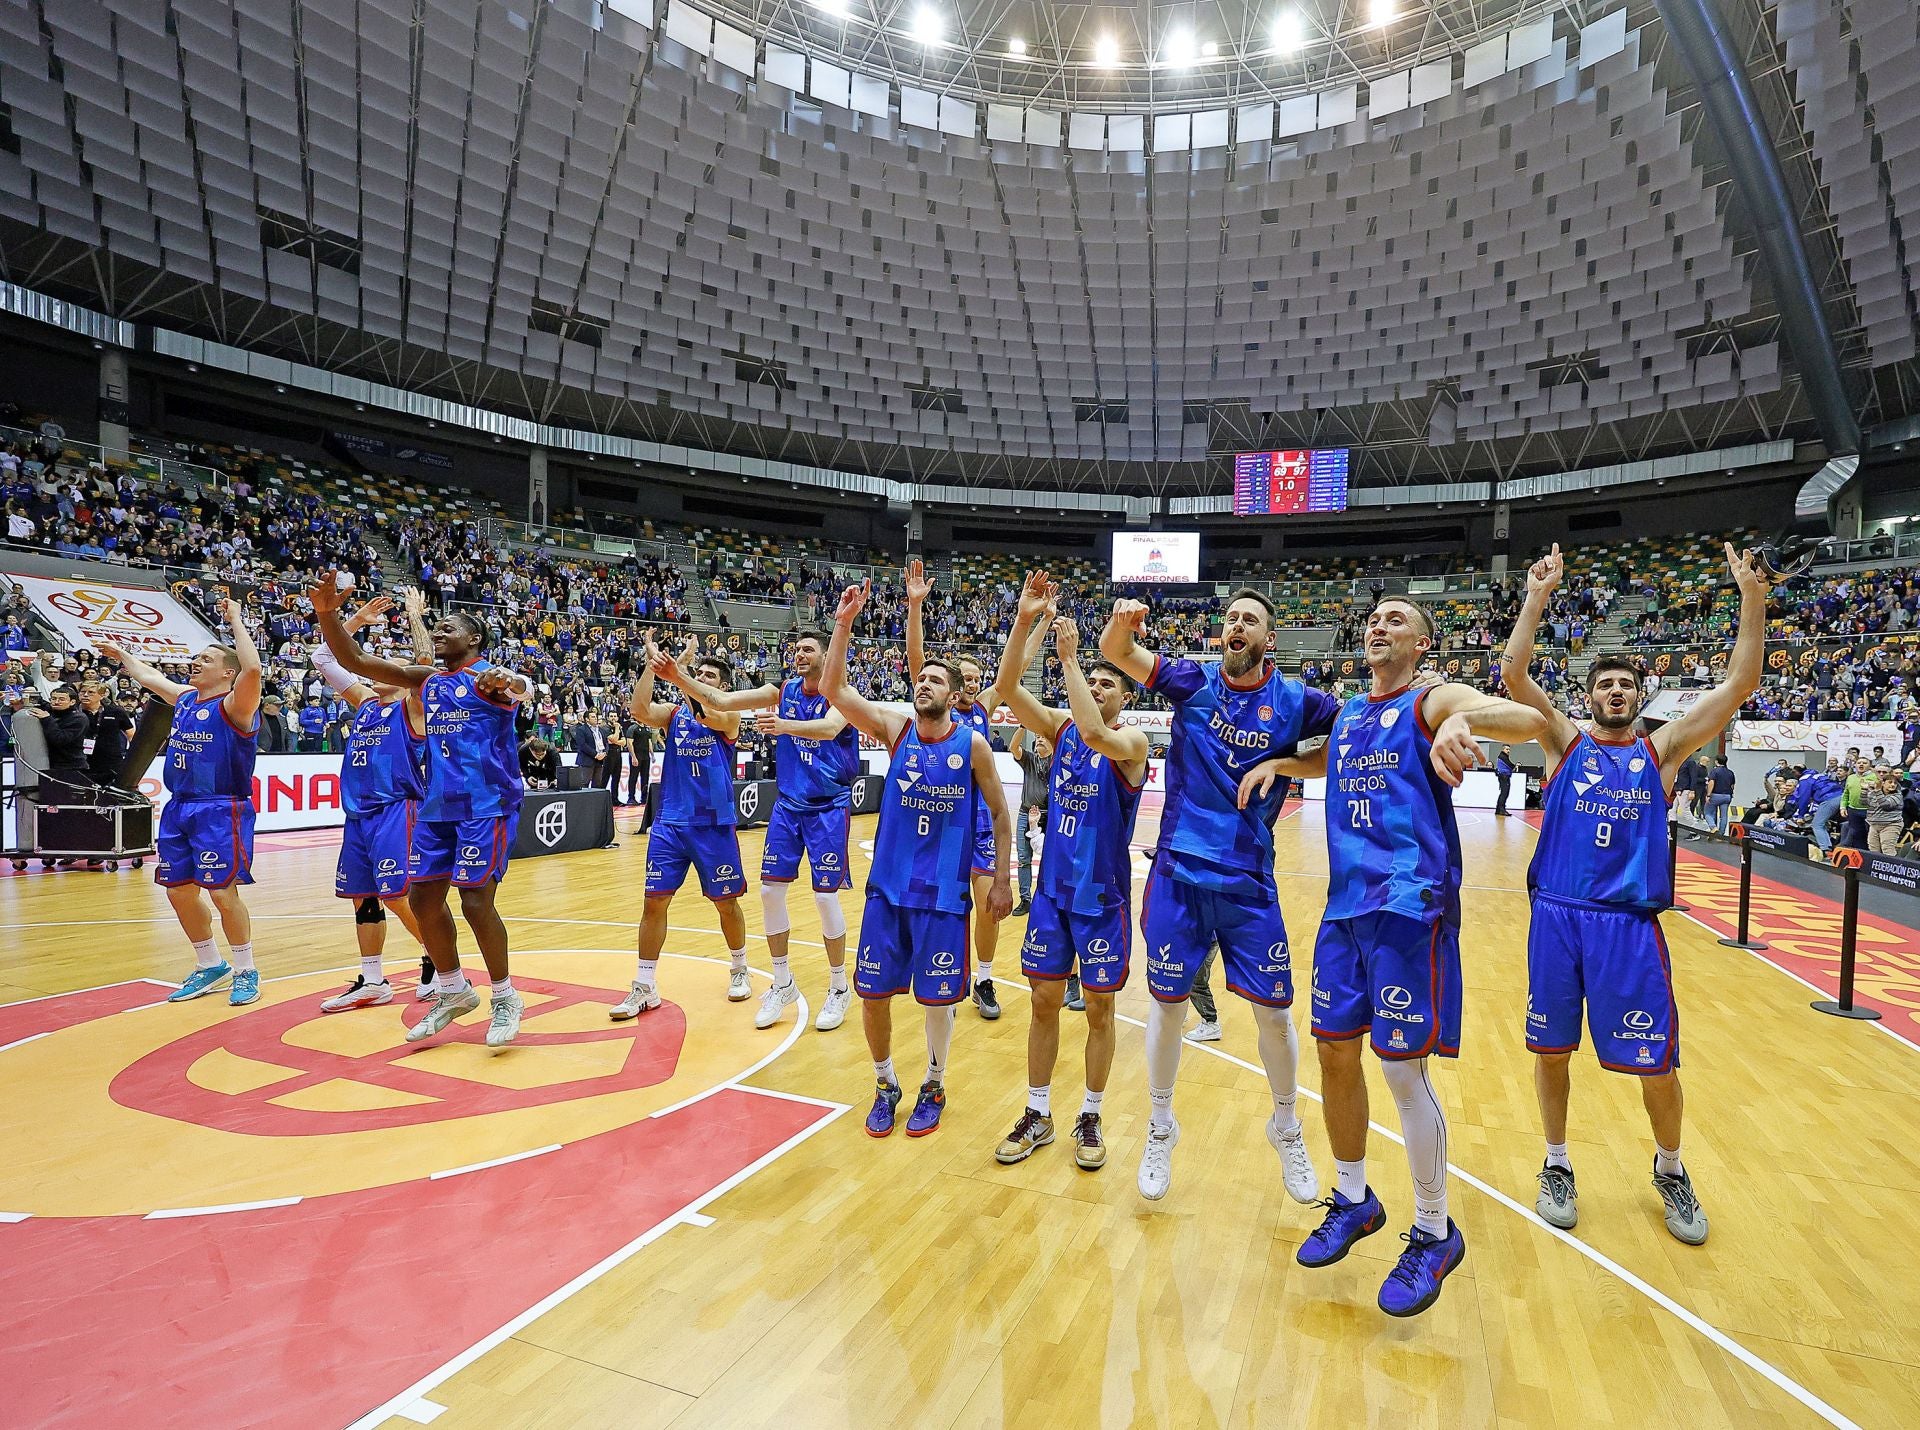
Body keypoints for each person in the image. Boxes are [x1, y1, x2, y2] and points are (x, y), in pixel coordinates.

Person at [1242, 595, 1547, 1317]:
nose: (1379, 625)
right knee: (1334, 1053)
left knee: (1401, 1070)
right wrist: (1282, 763)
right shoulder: (1350, 712)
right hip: (1345, 908)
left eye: (1398, 619)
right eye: (1374, 618)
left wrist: (1466, 719)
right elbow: (1329, 760)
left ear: (1423, 644)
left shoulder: (1432, 697)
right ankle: (1353, 1198)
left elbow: (1530, 722)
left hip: (1410, 906)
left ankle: (1436, 1230)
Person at [1501, 540, 1766, 1249]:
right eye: (1605, 685)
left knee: (1657, 1065)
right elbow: (1512, 672)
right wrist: (1536, 596)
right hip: (1557, 917)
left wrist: (1751, 594)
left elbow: (1740, 682)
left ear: (1640, 697)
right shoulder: (1560, 742)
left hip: (1628, 925)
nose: (1615, 693)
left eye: (1625, 685)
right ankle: (1557, 1164)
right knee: (1550, 1051)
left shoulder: (1663, 750)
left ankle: (1671, 1168)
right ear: (1591, 695)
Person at [1097, 589, 1333, 1207]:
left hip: (1249, 881)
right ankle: (1160, 1125)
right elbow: (1115, 651)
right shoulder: (1192, 681)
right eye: (1230, 618)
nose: (1236, 625)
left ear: (1268, 640)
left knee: (1275, 1014)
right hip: (1178, 871)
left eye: (1249, 620)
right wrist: (1125, 626)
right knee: (1167, 1005)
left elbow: (1350, 746)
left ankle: (1285, 1124)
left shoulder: (1298, 701)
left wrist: (1283, 766)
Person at [821, 579, 1013, 1138]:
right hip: (889, 891)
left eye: (935, 679)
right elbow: (833, 689)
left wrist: (1002, 879)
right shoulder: (894, 728)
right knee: (873, 994)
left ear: (954, 697)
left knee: (935, 1000)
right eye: (920, 677)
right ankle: (885, 1083)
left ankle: (933, 1081)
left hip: (945, 895)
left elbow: (1001, 817)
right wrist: (843, 622)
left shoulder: (973, 745)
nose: (923, 683)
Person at [310, 574, 533, 1049]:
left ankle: (505, 996)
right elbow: (355, 659)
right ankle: (452, 989)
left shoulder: (487, 679)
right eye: (437, 625)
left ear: (474, 639)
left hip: (486, 805)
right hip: (437, 807)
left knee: (475, 901)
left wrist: (514, 681)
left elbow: (519, 687)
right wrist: (328, 613)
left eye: (449, 625)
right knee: (422, 901)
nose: (439, 629)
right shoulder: (427, 681)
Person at [989, 577, 1147, 1171]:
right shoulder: (1058, 729)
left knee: (1101, 1011)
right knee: (1043, 1002)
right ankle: (1038, 1112)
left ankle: (1092, 1112)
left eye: (1110, 681)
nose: (1099, 685)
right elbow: (1005, 689)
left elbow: (1095, 733)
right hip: (1054, 897)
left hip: (1101, 899)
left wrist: (1077, 662)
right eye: (1094, 679)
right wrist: (1024, 619)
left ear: (1123, 698)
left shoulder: (1129, 741)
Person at [651, 628, 860, 1033]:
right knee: (768, 892)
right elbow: (722, 700)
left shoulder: (840, 693)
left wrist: (783, 725)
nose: (798, 654)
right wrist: (677, 676)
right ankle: (782, 983)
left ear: (825, 655)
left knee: (824, 898)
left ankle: (838, 987)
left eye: (807, 649)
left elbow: (830, 729)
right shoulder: (783, 689)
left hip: (828, 808)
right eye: (795, 649)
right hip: (787, 806)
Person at [98, 599, 265, 1005]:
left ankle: (246, 969)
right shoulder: (188, 699)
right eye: (196, 657)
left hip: (221, 808)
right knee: (178, 892)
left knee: (223, 894)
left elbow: (254, 669)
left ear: (227, 672)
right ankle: (210, 964)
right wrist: (125, 657)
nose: (196, 662)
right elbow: (152, 678)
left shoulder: (236, 705)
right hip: (180, 807)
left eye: (206, 659)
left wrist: (236, 620)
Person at [905, 557, 1043, 1021]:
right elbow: (917, 660)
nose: (971, 683)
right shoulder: (935, 703)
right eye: (963, 676)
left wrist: (1037, 622)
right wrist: (916, 607)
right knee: (939, 908)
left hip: (979, 825)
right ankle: (936, 969)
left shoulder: (983, 707)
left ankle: (983, 978)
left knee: (987, 907)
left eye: (975, 678)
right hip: (939, 828)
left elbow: (1017, 666)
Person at [609, 635, 751, 1019]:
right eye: (698, 672)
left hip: (712, 823)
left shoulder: (728, 716)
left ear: (722, 686)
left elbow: (706, 712)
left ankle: (739, 968)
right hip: (671, 821)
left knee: (725, 902)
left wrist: (681, 673)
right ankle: (644, 985)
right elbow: (639, 709)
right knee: (653, 902)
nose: (702, 677)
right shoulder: (674, 714)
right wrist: (651, 665)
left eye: (709, 675)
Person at [307, 596, 429, 1012]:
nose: (374, 667)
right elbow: (323, 657)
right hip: (358, 813)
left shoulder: (413, 709)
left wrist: (414, 617)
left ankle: (440, 962)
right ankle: (374, 979)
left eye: (386, 664)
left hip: (398, 808)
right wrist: (357, 619)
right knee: (363, 896)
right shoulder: (364, 703)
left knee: (398, 894)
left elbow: (426, 664)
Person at [1010, 723, 1053, 919]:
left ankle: (1047, 896)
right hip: (1025, 813)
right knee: (1023, 859)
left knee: (1050, 858)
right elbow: (1014, 747)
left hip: (1050, 814)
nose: (1039, 739)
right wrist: (1022, 726)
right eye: (1037, 736)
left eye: (1043, 736)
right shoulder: (1029, 759)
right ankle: (1025, 898)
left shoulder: (1057, 762)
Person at [1865, 769, 1905, 855]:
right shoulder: (1875, 793)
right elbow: (1864, 802)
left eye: (1895, 783)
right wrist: (1864, 789)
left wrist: (1877, 790)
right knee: (1873, 850)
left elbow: (1885, 805)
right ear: (1883, 783)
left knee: (1887, 849)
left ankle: (1892, 867)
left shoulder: (1898, 795)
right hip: (1874, 825)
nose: (1893, 785)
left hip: (1891, 824)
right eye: (1890, 782)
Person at [571, 711, 608, 786]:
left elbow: (606, 743)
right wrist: (595, 754)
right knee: (584, 784)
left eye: (596, 716)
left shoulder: (601, 730)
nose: (596, 718)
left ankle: (596, 798)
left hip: (600, 761)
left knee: (597, 784)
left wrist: (605, 753)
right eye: (593, 717)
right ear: (587, 719)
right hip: (586, 761)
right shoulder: (581, 729)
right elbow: (582, 745)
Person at [624, 715, 652, 811]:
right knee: (633, 776)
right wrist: (633, 757)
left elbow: (649, 742)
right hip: (637, 756)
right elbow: (629, 743)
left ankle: (644, 798)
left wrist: (652, 754)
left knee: (645, 777)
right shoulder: (632, 728)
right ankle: (631, 797)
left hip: (645, 757)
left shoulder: (647, 728)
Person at [1704, 756, 1736, 834]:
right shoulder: (1730, 772)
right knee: (1723, 816)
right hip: (1727, 796)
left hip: (1715, 795)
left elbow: (1711, 782)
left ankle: (1713, 827)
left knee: (1708, 813)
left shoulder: (1714, 771)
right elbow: (1732, 786)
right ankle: (1721, 835)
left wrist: (1708, 795)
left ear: (1716, 761)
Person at [1670, 752, 1701, 829]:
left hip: (1685, 789)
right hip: (1679, 788)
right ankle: (1672, 829)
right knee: (1672, 809)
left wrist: (1692, 790)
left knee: (1684, 811)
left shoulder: (1690, 762)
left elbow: (1693, 777)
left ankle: (1695, 829)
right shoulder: (1682, 761)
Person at [1494, 745, 1516, 816]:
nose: (1508, 751)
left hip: (1503, 776)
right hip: (1504, 776)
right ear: (1503, 749)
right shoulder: (1502, 756)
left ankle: (1498, 810)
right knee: (1504, 793)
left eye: (1509, 749)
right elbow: (1510, 765)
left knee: (1503, 793)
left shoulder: (1503, 756)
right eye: (1507, 749)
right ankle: (1501, 810)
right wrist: (1515, 766)